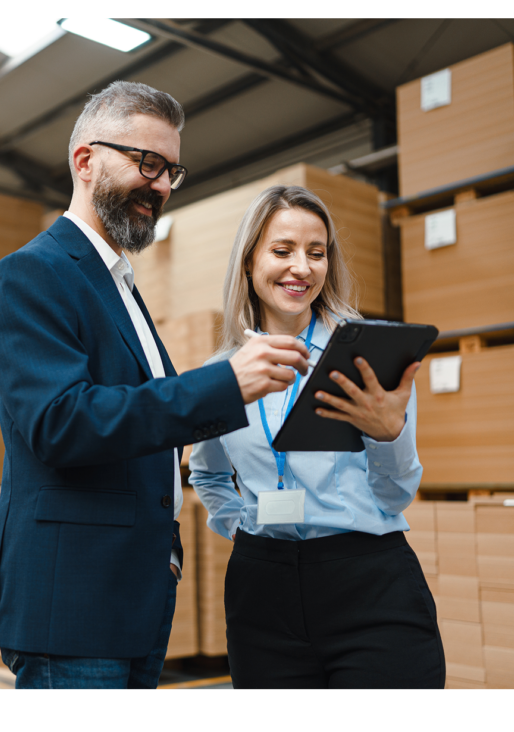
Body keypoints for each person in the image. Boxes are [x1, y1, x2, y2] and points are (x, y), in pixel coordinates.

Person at [0, 82, 312, 690]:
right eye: (146, 163)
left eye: (171, 171)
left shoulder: (121, 286)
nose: (160, 185)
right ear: (85, 160)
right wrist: (220, 386)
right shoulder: (34, 273)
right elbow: (60, 423)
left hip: (133, 594)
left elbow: (146, 424)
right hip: (72, 604)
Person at [190, 184, 445, 690]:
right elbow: (207, 472)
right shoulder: (221, 372)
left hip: (369, 580)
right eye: (282, 251)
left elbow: (396, 496)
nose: (301, 268)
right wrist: (240, 525)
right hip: (263, 591)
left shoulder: (367, 354)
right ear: (249, 261)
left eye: (317, 253)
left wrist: (388, 435)